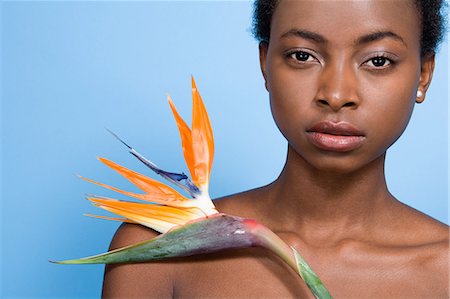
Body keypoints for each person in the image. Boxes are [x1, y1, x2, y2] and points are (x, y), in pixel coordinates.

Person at [102, 1, 449, 298]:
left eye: (378, 61)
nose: (337, 94)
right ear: (265, 63)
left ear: (423, 74)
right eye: (303, 55)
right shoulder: (154, 252)